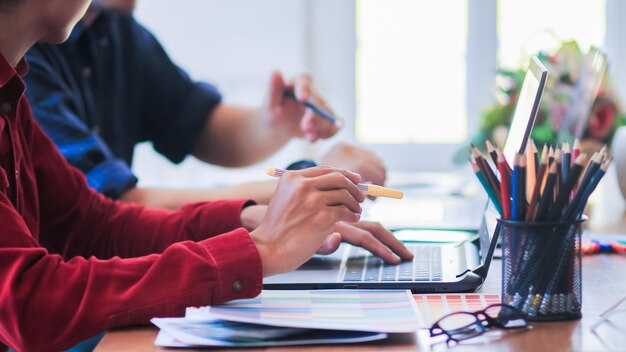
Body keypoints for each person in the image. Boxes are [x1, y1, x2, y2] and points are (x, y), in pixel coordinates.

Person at [0, 0, 412, 350]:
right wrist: (262, 248)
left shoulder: (15, 88)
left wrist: (245, 218)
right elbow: (29, 304)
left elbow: (92, 224)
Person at [24, 0, 386, 208]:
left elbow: (199, 127)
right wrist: (309, 182)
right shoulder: (24, 54)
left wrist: (273, 122)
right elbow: (117, 210)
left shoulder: (116, 30)